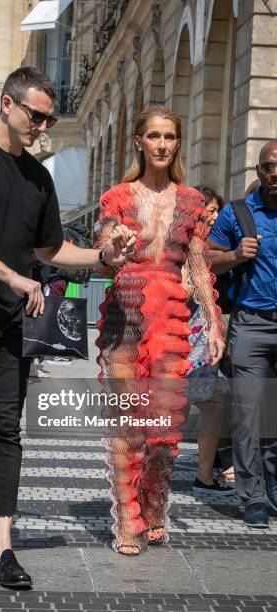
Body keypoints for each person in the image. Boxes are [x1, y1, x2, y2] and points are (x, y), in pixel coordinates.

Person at [0, 67, 135, 588]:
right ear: (7, 104)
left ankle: (1, 547)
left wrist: (103, 257)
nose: (42, 126)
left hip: (9, 325)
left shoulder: (38, 178)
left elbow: (50, 250)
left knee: (5, 431)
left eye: (49, 118)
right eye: (36, 115)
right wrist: (11, 276)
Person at [96, 106, 224, 555]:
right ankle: (129, 519)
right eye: (154, 136)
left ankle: (153, 505)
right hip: (124, 317)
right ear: (139, 141)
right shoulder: (116, 196)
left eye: (170, 136)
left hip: (170, 316)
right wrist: (114, 243)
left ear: (177, 142)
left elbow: (197, 262)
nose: (163, 145)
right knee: (129, 424)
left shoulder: (190, 200)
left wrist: (213, 321)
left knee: (166, 428)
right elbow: (106, 242)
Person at [208, 140, 277, 528]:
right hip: (251, 324)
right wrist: (235, 256)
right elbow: (206, 262)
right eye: (268, 167)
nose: (275, 173)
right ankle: (252, 497)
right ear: (258, 172)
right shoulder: (237, 214)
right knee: (250, 413)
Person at [184, 186, 234, 495]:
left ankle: (205, 472)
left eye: (214, 210)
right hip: (179, 333)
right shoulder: (186, 243)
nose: (210, 215)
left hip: (203, 333)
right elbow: (185, 290)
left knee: (215, 399)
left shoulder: (207, 244)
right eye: (205, 210)